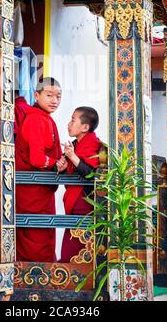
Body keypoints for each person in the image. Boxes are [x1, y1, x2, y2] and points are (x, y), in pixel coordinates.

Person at [15, 77, 62, 262]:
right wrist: (55, 163)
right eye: (49, 95)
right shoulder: (36, 119)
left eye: (58, 96)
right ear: (36, 95)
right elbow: (37, 159)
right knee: (36, 238)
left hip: (39, 191)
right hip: (32, 192)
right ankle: (35, 280)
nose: (54, 100)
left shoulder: (43, 118)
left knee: (42, 236)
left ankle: (41, 278)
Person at [56, 107, 102, 263]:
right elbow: (67, 167)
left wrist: (71, 156)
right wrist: (61, 164)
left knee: (78, 249)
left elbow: (90, 174)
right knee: (70, 245)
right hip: (74, 202)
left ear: (85, 127)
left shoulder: (94, 145)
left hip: (85, 203)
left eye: (73, 120)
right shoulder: (76, 144)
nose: (68, 124)